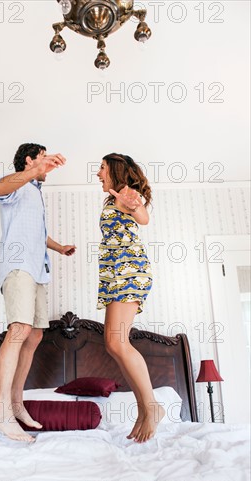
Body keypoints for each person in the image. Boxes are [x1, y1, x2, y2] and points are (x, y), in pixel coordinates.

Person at [0, 143, 76, 442]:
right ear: (28, 160)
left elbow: (37, 233)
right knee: (20, 329)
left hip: (37, 269)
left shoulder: (36, 194)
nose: (47, 163)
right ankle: (0, 410)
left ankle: (16, 404)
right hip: (18, 266)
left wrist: (59, 246)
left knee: (36, 333)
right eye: (41, 157)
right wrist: (34, 172)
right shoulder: (18, 184)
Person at [97, 153, 164, 443]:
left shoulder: (126, 193)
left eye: (101, 168)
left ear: (114, 170)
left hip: (129, 273)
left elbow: (143, 217)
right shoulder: (111, 198)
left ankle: (152, 407)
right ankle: (143, 408)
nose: (98, 173)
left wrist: (132, 205)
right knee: (113, 344)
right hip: (116, 275)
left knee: (117, 342)